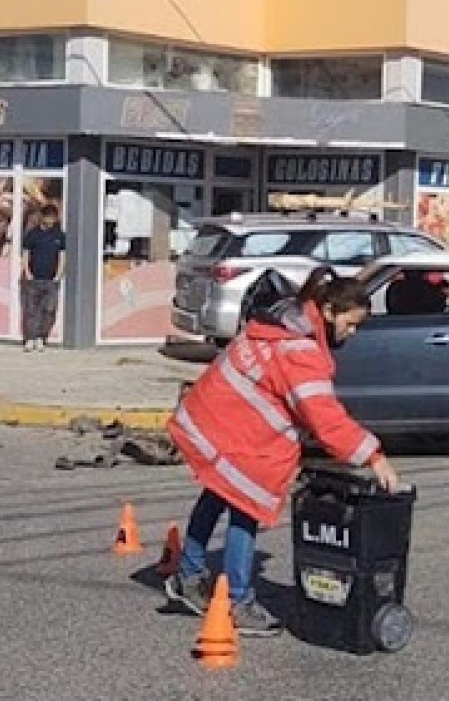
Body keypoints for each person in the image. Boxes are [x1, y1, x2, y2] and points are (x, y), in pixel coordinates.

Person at [164, 267, 400, 636]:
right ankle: (238, 601)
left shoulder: (282, 320)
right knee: (246, 506)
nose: (351, 334)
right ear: (327, 312)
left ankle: (188, 575)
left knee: (217, 491)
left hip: (214, 416)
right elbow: (325, 418)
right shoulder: (299, 350)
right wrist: (373, 455)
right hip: (237, 429)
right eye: (350, 324)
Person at [21, 203, 65, 352]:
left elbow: (62, 256)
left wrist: (59, 274)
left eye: (54, 217)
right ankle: (30, 338)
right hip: (34, 278)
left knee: (49, 310)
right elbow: (26, 253)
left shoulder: (59, 235)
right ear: (42, 217)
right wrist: (27, 272)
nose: (51, 220)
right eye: (49, 217)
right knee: (31, 310)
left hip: (51, 280)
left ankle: (41, 337)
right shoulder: (32, 234)